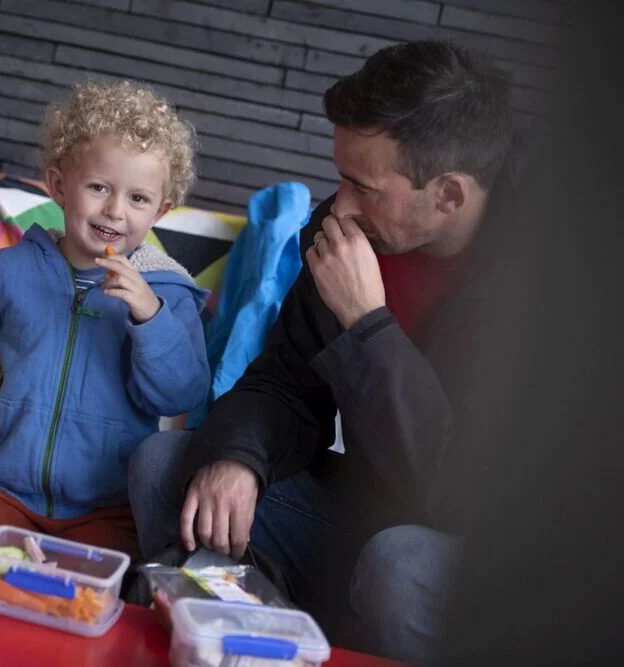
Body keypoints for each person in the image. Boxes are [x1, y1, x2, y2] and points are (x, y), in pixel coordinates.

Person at [129, 40, 519, 663]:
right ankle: (240, 645)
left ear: (449, 194)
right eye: (340, 177)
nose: (339, 206)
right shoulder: (342, 233)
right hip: (361, 511)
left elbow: (457, 487)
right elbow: (285, 380)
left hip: (479, 551)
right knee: (165, 464)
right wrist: (240, 457)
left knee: (401, 568)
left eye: (362, 185)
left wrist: (367, 326)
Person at [0, 80, 209, 567]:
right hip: (2, 492)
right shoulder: (7, 272)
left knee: (88, 612)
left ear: (161, 210)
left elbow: (181, 395)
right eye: (98, 187)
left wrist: (149, 317)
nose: (114, 210)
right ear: (58, 186)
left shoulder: (167, 295)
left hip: (107, 506)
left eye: (138, 198)